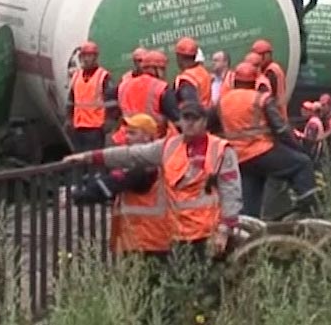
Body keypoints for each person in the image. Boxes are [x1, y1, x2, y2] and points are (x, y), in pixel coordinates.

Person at [64, 102, 242, 315]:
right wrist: (89, 157)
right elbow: (130, 154)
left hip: (207, 233)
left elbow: (231, 190)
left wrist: (224, 230)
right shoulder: (169, 146)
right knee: (179, 291)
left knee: (207, 292)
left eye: (194, 119)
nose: (189, 123)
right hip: (176, 234)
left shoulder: (220, 149)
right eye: (185, 118)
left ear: (204, 122)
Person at [214, 62, 316, 219]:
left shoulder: (222, 102)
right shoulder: (261, 99)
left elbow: (210, 126)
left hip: (239, 159)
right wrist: (298, 149)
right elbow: (281, 129)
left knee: (250, 205)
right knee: (302, 164)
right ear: (254, 81)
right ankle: (308, 208)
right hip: (261, 151)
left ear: (235, 81)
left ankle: (249, 231)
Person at [63, 113, 170, 259]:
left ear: (148, 137)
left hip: (146, 240)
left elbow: (113, 183)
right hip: (146, 238)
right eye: (126, 133)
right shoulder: (148, 162)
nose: (127, 137)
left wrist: (76, 195)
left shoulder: (145, 167)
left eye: (132, 133)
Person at [66, 41, 119, 152]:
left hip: (95, 128)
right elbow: (71, 100)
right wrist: (69, 119)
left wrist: (110, 120)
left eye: (89, 56)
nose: (86, 59)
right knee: (80, 160)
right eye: (84, 56)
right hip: (78, 126)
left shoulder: (103, 76)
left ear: (95, 57)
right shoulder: (77, 76)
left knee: (94, 161)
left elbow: (112, 102)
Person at [117, 48, 169, 134]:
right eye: (138, 61)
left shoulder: (124, 84)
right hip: (147, 134)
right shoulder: (159, 86)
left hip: (130, 133)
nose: (140, 64)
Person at [171, 38, 212, 113]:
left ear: (179, 56)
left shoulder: (186, 79)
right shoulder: (203, 71)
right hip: (206, 117)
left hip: (195, 119)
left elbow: (190, 106)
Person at [249, 39, 286, 104]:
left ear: (267, 55)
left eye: (259, 55)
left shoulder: (272, 70)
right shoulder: (265, 69)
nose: (256, 58)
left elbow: (270, 96)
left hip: (274, 110)